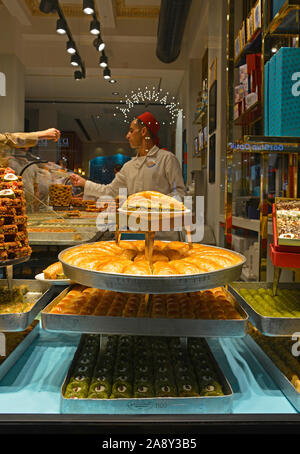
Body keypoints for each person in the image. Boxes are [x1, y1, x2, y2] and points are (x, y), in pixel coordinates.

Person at [69, 112, 186, 201]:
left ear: (143, 131)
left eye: (131, 131)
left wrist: (153, 205)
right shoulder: (129, 166)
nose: (127, 136)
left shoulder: (166, 159)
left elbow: (180, 193)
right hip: (135, 228)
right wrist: (84, 183)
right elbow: (110, 191)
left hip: (162, 230)